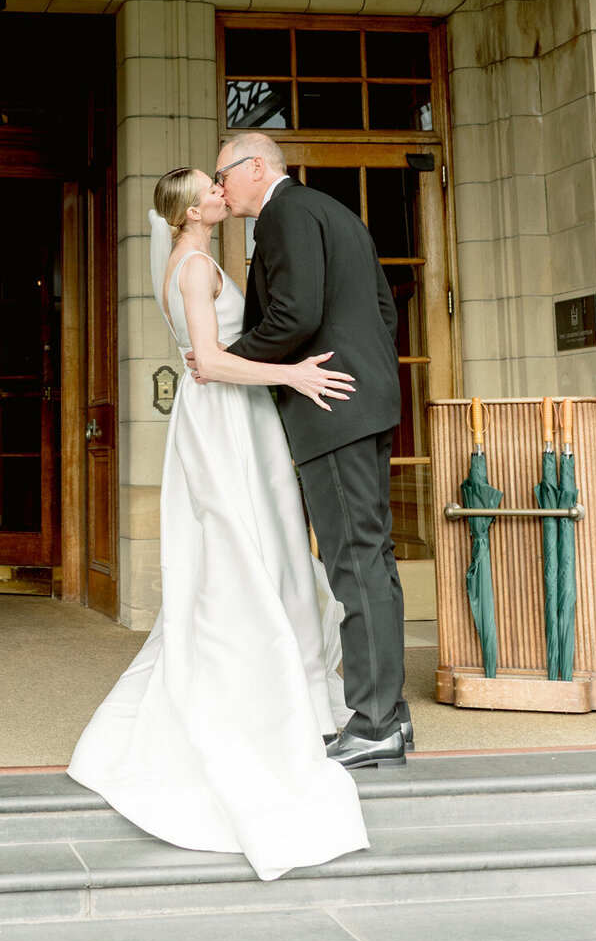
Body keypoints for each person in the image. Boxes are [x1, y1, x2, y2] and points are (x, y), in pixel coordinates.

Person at [67, 166, 369, 881]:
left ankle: (291, 679)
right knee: (247, 550)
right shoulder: (197, 266)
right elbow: (206, 361)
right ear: (188, 212)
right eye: (209, 189)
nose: (219, 193)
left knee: (258, 547)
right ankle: (261, 686)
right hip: (228, 420)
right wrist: (294, 375)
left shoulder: (190, 258)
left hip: (226, 417)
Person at [216, 131, 410, 771]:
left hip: (332, 410)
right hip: (365, 402)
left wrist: (226, 361)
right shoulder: (335, 213)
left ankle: (374, 722)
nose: (221, 187)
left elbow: (294, 317)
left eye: (224, 174)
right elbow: (385, 312)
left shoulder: (282, 216)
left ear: (254, 167)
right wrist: (367, 378)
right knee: (372, 557)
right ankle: (392, 716)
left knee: (355, 563)